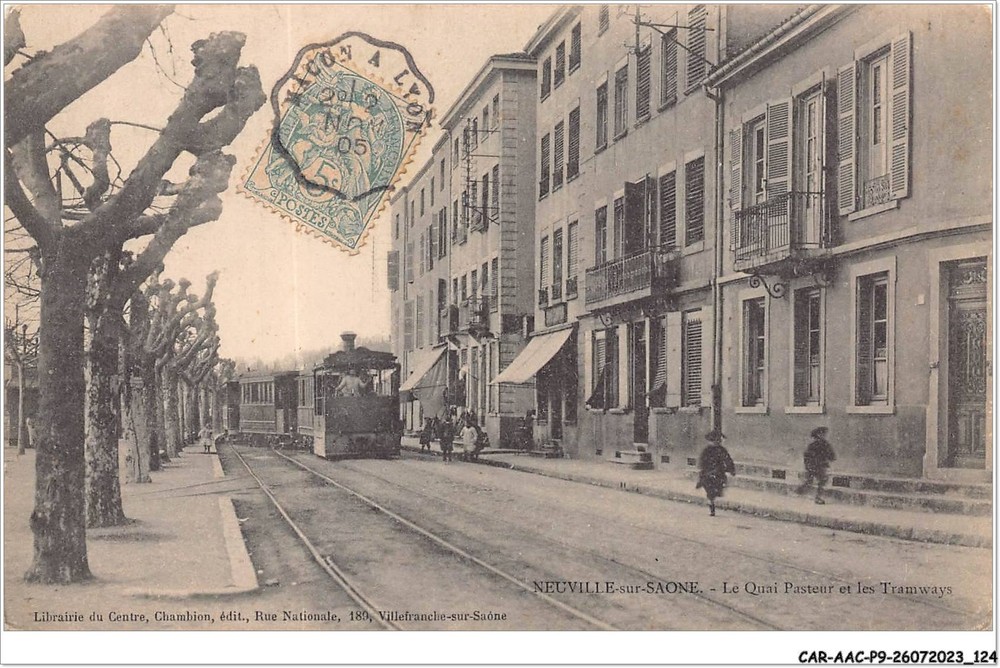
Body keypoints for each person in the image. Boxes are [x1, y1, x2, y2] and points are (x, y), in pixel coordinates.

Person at [696, 430, 735, 517]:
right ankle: (711, 505)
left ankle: (712, 500)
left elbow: (728, 459)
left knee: (717, 489)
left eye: (718, 440)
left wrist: (731, 469)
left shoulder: (722, 450)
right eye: (715, 440)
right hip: (708, 473)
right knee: (710, 490)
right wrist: (703, 470)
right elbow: (702, 461)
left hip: (718, 473)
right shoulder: (707, 450)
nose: (717, 442)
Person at [796, 426, 836, 504]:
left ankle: (799, 491)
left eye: (825, 434)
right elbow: (832, 456)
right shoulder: (824, 444)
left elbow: (831, 456)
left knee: (811, 481)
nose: (824, 435)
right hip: (818, 466)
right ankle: (817, 497)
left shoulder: (814, 445)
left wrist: (808, 466)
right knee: (821, 481)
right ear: (819, 434)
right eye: (823, 433)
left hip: (814, 466)